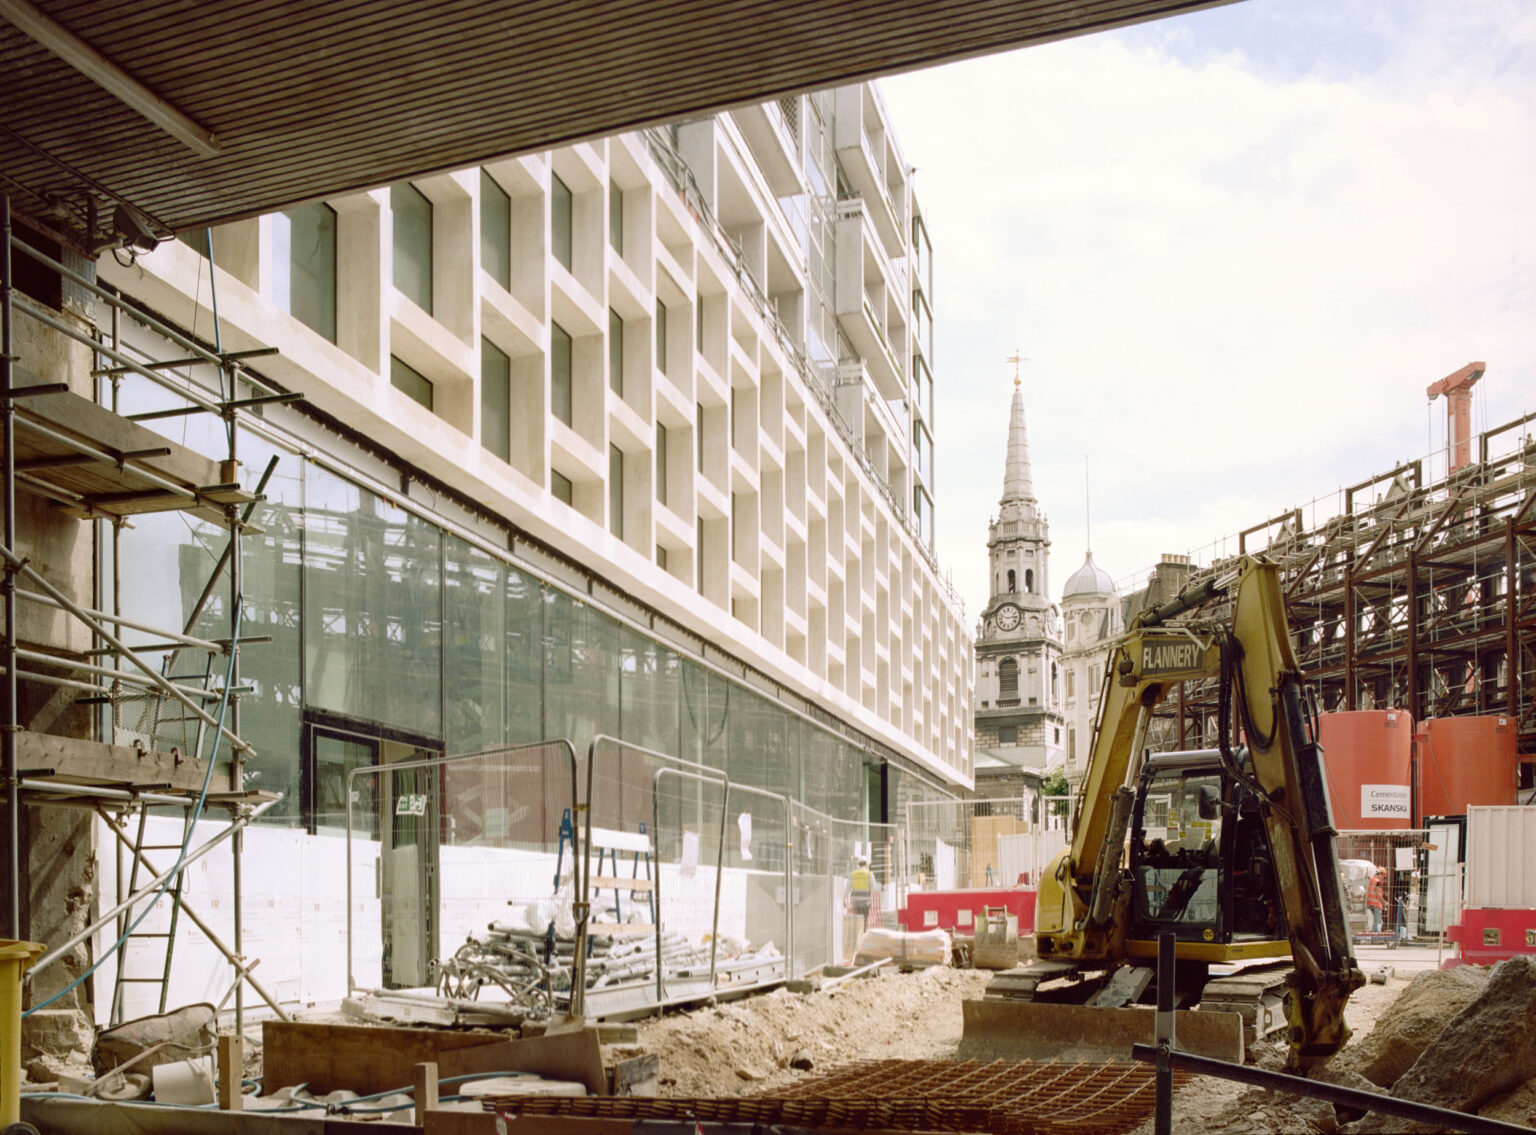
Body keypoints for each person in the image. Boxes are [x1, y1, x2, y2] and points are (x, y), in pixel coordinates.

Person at [850, 857, 874, 922]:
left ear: (858, 864)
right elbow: (873, 888)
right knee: (865, 920)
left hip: (855, 901)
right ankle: (864, 931)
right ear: (866, 864)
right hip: (866, 901)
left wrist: (844, 898)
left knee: (858, 920)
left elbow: (848, 887)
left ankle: (858, 931)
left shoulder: (853, 874)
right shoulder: (869, 874)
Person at [1366, 867, 1387, 934]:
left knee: (1379, 921)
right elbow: (1378, 894)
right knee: (1378, 922)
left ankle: (1375, 936)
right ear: (1380, 874)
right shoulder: (1378, 882)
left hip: (1370, 903)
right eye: (1383, 876)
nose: (1383, 878)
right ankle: (1376, 937)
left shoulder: (1371, 880)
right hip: (1376, 904)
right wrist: (1384, 902)